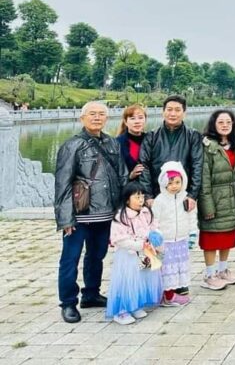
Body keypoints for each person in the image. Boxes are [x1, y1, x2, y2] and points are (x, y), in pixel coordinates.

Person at [54, 101, 127, 323]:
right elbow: (62, 184)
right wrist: (65, 219)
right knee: (70, 258)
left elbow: (122, 176)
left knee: (97, 255)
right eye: (92, 114)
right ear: (82, 118)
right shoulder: (72, 145)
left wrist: (122, 210)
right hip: (80, 214)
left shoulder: (112, 143)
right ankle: (68, 302)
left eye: (101, 114)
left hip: (105, 213)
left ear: (107, 118)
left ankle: (91, 294)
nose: (97, 118)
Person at [199, 109, 235, 290]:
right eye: (221, 122)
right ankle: (209, 275)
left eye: (228, 122)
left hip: (231, 200)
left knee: (227, 237)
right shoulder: (207, 146)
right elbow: (204, 179)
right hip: (214, 200)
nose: (225, 125)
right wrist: (207, 206)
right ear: (213, 124)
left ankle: (222, 270)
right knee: (211, 239)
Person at [106, 182, 163, 325]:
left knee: (140, 280)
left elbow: (153, 227)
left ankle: (135, 305)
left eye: (142, 196)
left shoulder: (145, 213)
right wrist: (138, 245)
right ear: (127, 199)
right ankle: (121, 310)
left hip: (143, 253)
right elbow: (119, 239)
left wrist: (154, 236)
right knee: (127, 281)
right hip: (128, 255)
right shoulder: (121, 216)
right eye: (137, 197)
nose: (141, 200)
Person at [139, 96, 203, 214]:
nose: (173, 114)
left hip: (183, 196)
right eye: (169, 109)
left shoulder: (193, 136)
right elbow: (144, 166)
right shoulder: (151, 136)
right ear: (163, 112)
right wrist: (148, 196)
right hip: (157, 196)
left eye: (177, 110)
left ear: (184, 113)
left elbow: (197, 166)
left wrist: (192, 195)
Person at [152, 162, 196, 306]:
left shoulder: (186, 198)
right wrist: (156, 238)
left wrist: (192, 234)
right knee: (165, 268)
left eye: (177, 182)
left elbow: (191, 216)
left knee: (178, 267)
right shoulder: (160, 200)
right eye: (170, 183)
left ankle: (172, 293)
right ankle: (167, 295)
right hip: (166, 241)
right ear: (164, 183)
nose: (174, 186)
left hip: (181, 239)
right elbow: (154, 221)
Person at [116, 104, 149, 180]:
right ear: (125, 122)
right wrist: (130, 176)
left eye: (140, 118)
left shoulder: (151, 139)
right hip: (129, 186)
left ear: (145, 120)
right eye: (132, 118)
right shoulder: (118, 143)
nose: (137, 122)